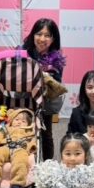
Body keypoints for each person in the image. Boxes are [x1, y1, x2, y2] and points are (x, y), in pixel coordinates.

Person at [22, 18, 65, 160]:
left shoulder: (56, 59)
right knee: (23, 132)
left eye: (47, 35)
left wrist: (46, 76)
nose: (42, 39)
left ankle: (47, 166)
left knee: (46, 133)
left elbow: (57, 84)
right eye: (39, 34)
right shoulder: (22, 52)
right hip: (23, 100)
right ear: (33, 35)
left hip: (45, 101)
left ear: (53, 39)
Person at [0, 108, 37, 188]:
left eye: (23, 121)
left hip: (20, 149)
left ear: (28, 124)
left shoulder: (29, 131)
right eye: (17, 120)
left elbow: (32, 141)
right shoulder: (6, 128)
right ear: (12, 121)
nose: (19, 122)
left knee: (21, 162)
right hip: (5, 146)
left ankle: (16, 185)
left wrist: (31, 147)